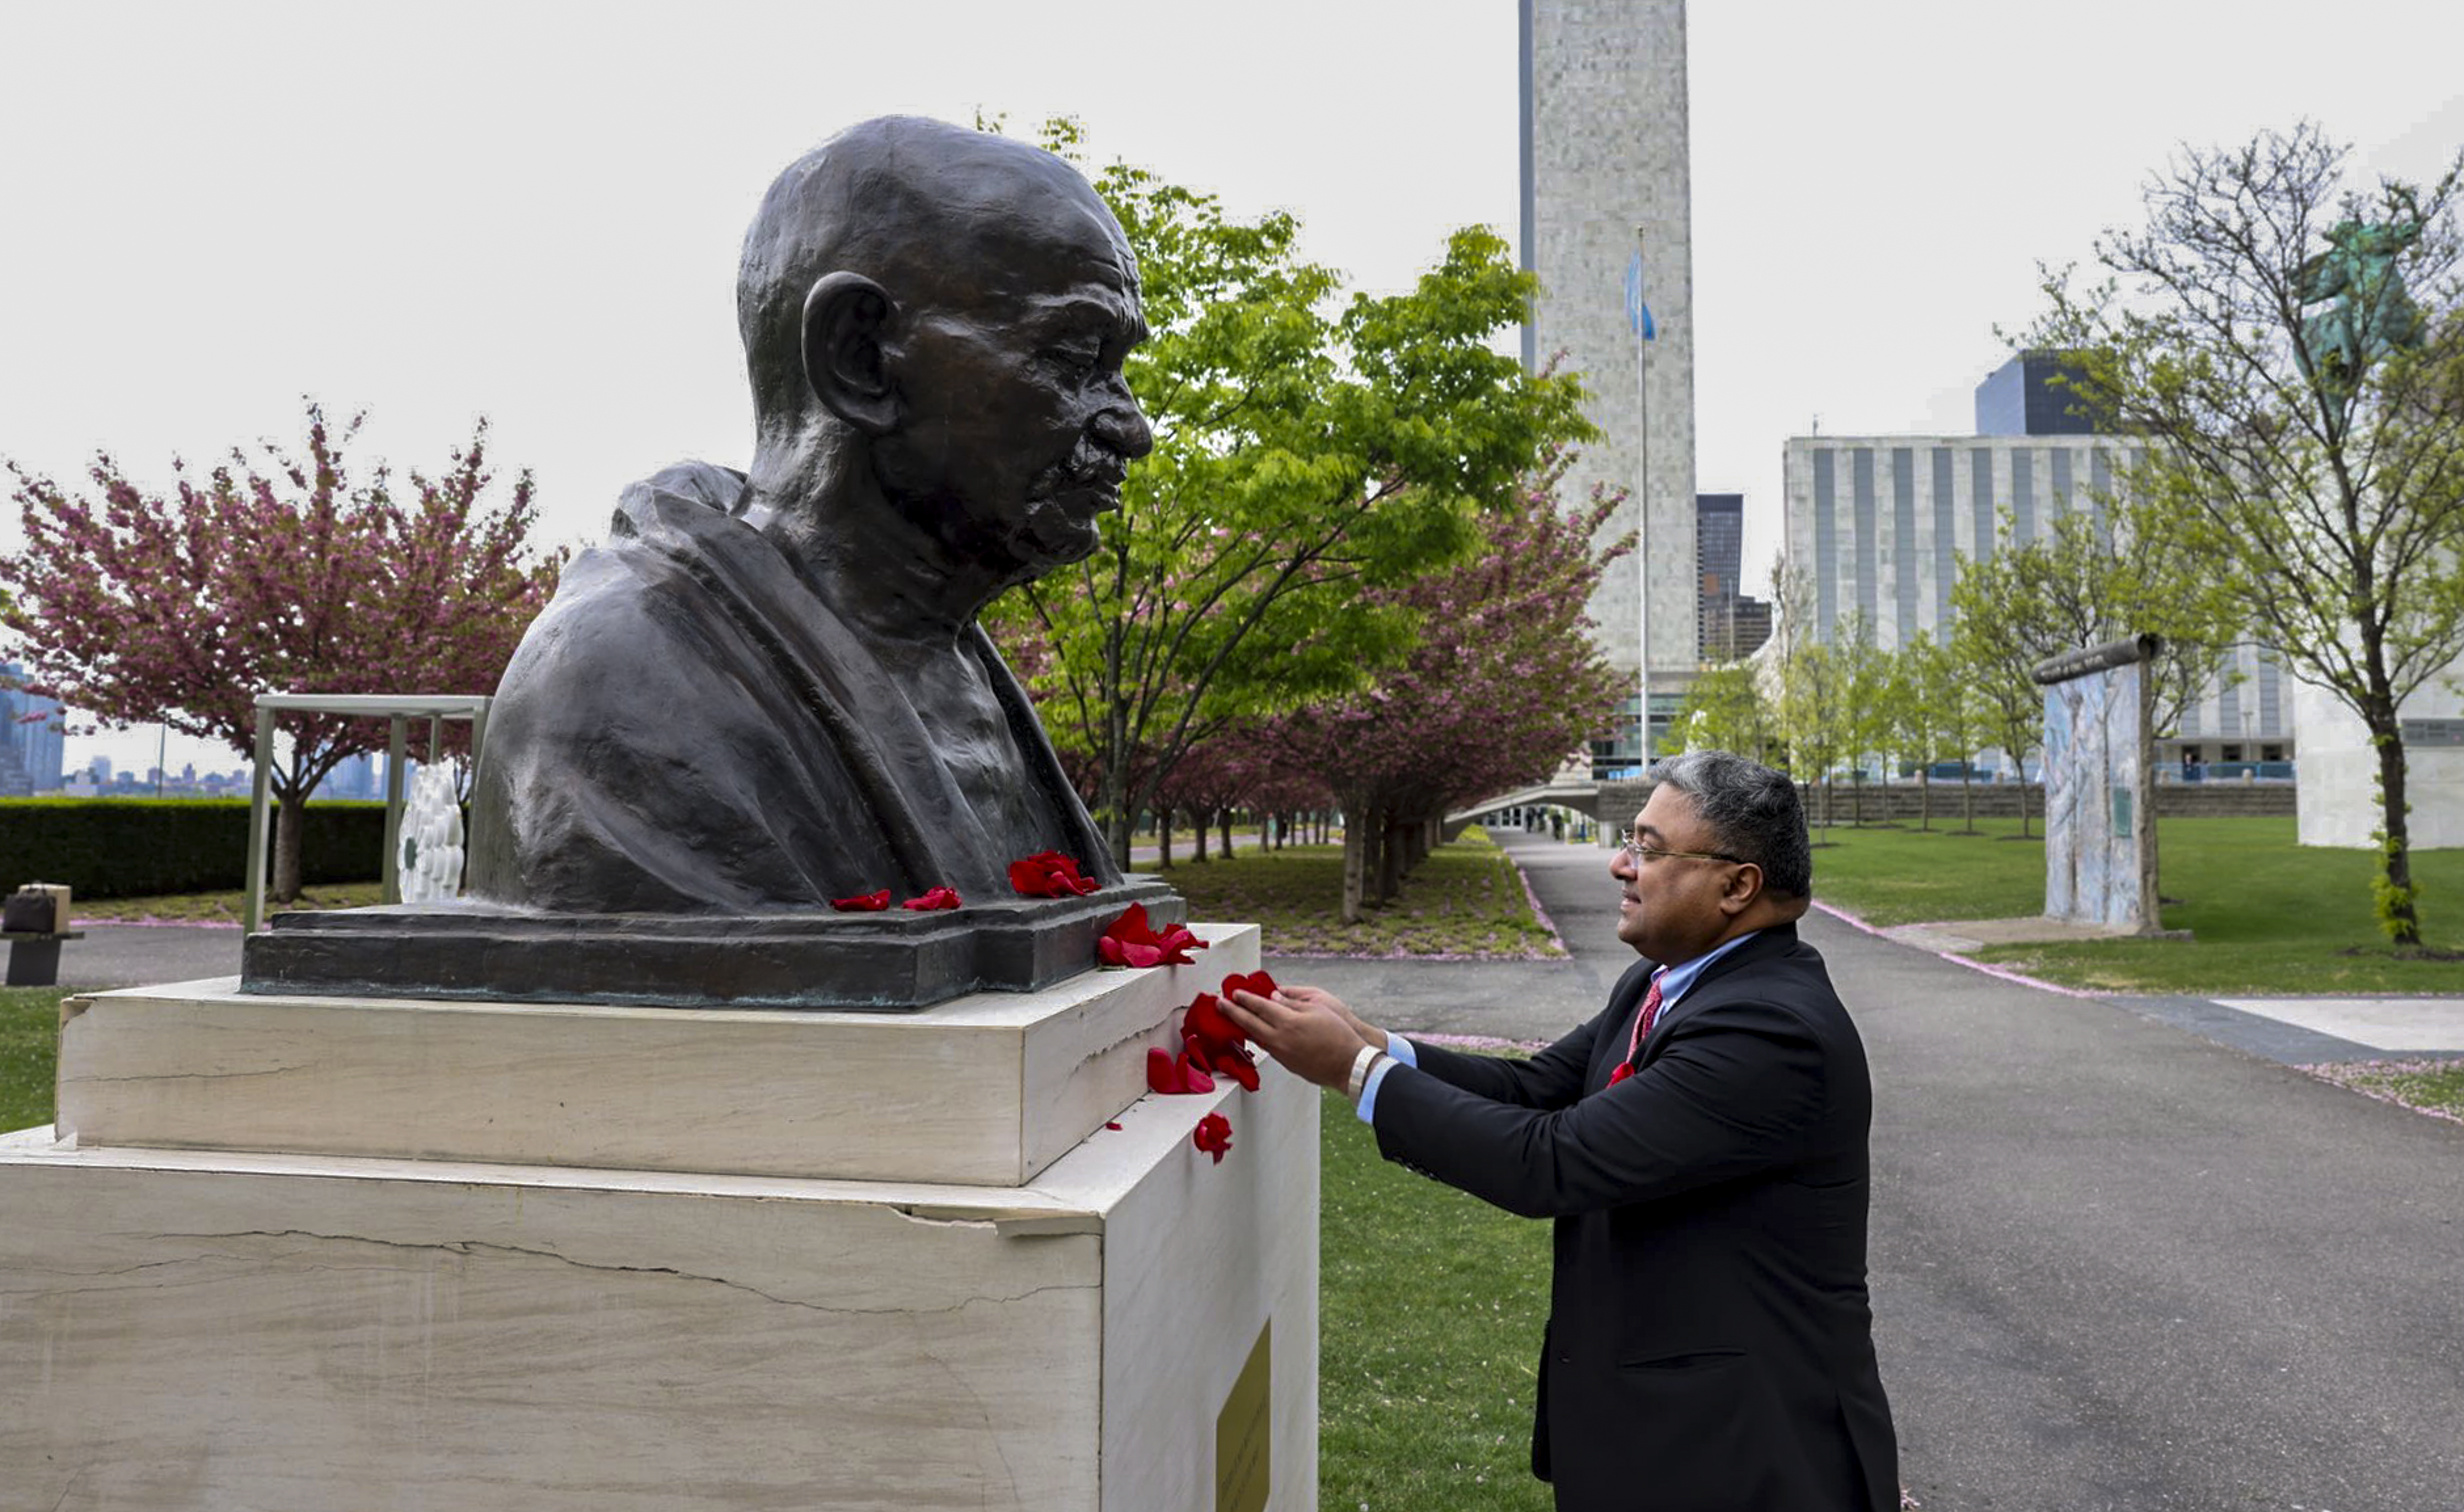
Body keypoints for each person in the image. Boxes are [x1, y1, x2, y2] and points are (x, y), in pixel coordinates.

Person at [466, 117, 1152, 911]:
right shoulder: (622, 692)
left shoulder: (956, 666)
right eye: (1072, 360)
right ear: (860, 360)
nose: (1130, 428)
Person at [1224, 750, 1899, 1511]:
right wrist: (1378, 1043)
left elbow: (1551, 1160)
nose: (1620, 863)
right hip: (1659, 1435)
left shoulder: (1771, 1029)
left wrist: (1355, 1071)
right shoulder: (1665, 979)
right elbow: (1536, 1087)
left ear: (1738, 885)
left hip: (1747, 1452)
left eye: (1648, 847)